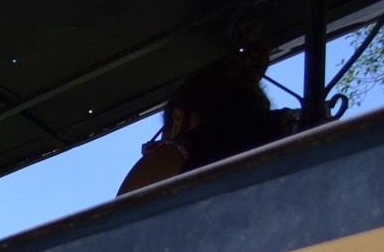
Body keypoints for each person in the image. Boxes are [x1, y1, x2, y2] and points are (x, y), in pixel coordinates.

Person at [119, 52, 297, 196]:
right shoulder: (289, 131)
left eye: (164, 140)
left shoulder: (176, 155)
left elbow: (121, 222)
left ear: (179, 119)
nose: (158, 149)